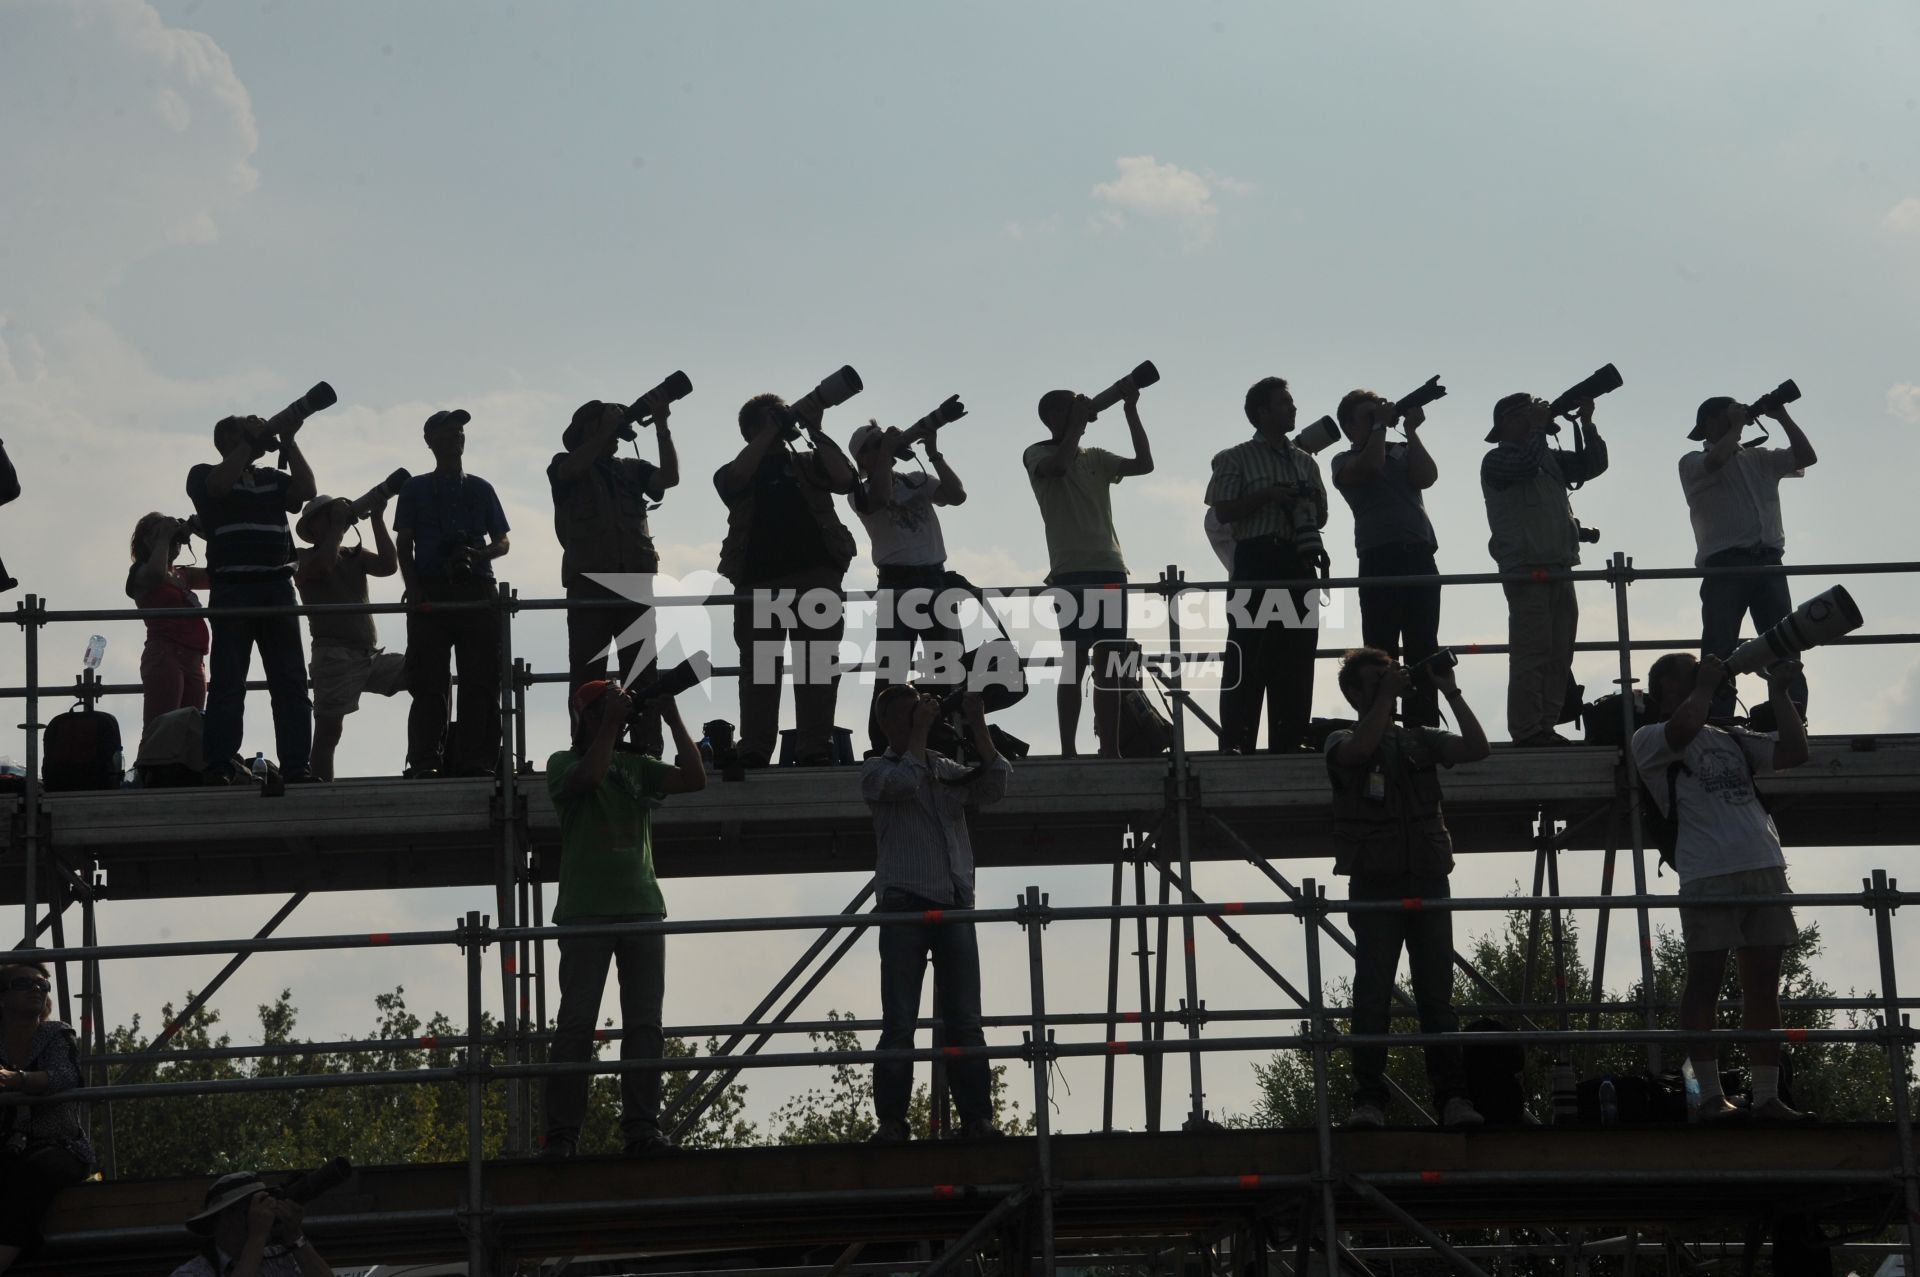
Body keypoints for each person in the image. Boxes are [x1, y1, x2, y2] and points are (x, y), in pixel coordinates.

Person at [1633, 652, 1811, 1123]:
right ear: (1666, 689)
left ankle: (1768, 1097)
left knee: (1763, 987)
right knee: (1704, 983)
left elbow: (1794, 752)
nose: (1703, 684)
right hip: (1707, 870)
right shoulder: (1649, 738)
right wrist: (1706, 685)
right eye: (1690, 677)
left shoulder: (1730, 734)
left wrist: (1778, 693)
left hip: (1763, 864)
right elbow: (1681, 729)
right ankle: (1709, 1097)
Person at [1324, 648, 1489, 1129]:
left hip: (1427, 878)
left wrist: (1448, 688)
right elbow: (1358, 752)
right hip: (1376, 883)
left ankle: (1453, 1098)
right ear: (1355, 693)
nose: (1390, 685)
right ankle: (1368, 1100)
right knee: (1372, 993)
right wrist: (1384, 699)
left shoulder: (1420, 739)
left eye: (1390, 677)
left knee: (1437, 994)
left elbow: (1478, 748)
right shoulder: (1341, 737)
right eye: (1376, 681)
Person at [542, 680, 706, 1158]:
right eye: (605, 705)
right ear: (586, 715)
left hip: (641, 908)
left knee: (644, 1025)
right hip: (585, 911)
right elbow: (589, 780)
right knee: (576, 1024)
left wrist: (673, 717)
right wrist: (611, 722)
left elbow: (695, 778)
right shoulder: (563, 763)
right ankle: (562, 1136)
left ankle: (641, 1130)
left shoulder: (638, 765)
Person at [861, 686, 1011, 1142]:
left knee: (966, 1019)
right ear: (887, 724)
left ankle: (977, 1120)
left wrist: (977, 721)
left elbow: (995, 783)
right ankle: (891, 1122)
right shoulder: (875, 769)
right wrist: (922, 734)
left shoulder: (943, 769)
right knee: (900, 1020)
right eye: (908, 715)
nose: (918, 720)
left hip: (953, 903)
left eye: (920, 714)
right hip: (904, 904)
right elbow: (904, 783)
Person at [714, 393, 857, 768]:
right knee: (761, 669)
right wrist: (768, 433)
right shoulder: (737, 468)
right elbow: (734, 481)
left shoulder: (809, 461)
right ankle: (755, 748)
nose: (779, 424)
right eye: (769, 420)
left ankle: (814, 746)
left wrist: (814, 427)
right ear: (750, 431)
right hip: (759, 580)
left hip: (816, 573)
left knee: (818, 664)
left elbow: (844, 479)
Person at [186, 414, 318, 783]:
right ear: (229, 438)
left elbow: (305, 491)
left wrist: (289, 442)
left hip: (277, 587)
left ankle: (296, 765)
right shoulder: (203, 473)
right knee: (229, 682)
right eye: (246, 428)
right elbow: (217, 486)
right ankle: (219, 764)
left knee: (290, 681)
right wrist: (250, 441)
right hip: (233, 589)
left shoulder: (271, 478)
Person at [1022, 385, 1153, 756]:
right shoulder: (1037, 453)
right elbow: (1058, 467)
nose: (1080, 414)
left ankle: (1110, 749)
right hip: (1071, 572)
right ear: (1052, 417)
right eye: (1070, 409)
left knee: (1110, 665)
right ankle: (1068, 749)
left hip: (1110, 567)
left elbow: (1144, 464)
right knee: (1074, 661)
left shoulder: (1095, 456)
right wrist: (1077, 426)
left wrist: (1130, 410)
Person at [549, 398, 680, 755]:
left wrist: (662, 424)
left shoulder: (630, 469)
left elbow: (669, 478)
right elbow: (571, 471)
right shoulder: (564, 464)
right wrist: (605, 428)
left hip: (634, 583)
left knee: (642, 671)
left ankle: (647, 746)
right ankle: (588, 747)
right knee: (588, 672)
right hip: (589, 583)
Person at [1206, 376, 1327, 754]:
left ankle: (1288, 743)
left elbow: (1321, 516)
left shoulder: (1306, 463)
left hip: (1298, 559)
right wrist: (1269, 496)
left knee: (1297, 656)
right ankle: (1237, 742)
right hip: (1257, 558)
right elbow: (1223, 511)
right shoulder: (1233, 457)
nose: (1293, 409)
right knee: (1247, 650)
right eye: (1284, 403)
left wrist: (1301, 505)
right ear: (1262, 412)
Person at [1480, 392, 1608, 746]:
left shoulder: (1546, 457)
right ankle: (1526, 730)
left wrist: (1586, 422)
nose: (1534, 419)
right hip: (1526, 568)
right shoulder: (1496, 460)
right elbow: (1524, 465)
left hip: (1559, 565)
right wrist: (1539, 429)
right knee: (1532, 653)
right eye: (1524, 415)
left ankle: (1545, 727)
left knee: (1559, 654)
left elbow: (1593, 465)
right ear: (1506, 422)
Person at [1681, 396, 1817, 720]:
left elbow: (1807, 457)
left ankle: (1791, 718)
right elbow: (1716, 461)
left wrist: (1781, 415)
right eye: (1725, 417)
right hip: (1725, 565)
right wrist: (1739, 425)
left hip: (1768, 561)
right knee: (1719, 648)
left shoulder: (1759, 458)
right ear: (1709, 424)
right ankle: (1718, 719)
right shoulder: (1691, 462)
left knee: (1783, 645)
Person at [395, 409, 511, 779]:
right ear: (430, 441)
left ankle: (478, 761)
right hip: (431, 589)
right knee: (428, 681)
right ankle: (425, 759)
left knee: (482, 680)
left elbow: (503, 541)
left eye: (460, 433)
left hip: (477, 588)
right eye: (448, 433)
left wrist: (479, 554)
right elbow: (404, 543)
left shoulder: (481, 488)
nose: (456, 438)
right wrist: (412, 588)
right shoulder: (414, 488)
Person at [848, 418, 967, 756]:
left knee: (946, 666)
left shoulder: (915, 479)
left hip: (934, 578)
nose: (881, 445)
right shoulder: (860, 491)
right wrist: (887, 451)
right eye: (872, 445)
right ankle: (883, 744)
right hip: (896, 582)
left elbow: (957, 495)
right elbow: (882, 498)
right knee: (891, 670)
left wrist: (933, 453)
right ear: (862, 459)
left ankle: (944, 738)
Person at [1332, 390, 1442, 728]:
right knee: (1380, 649)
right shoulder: (1342, 460)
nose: (1376, 419)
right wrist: (1380, 426)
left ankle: (1422, 725)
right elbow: (1371, 466)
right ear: (1350, 426)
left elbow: (1427, 477)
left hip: (1419, 555)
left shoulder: (1401, 450)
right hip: (1380, 557)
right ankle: (1379, 725)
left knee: (1424, 645)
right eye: (1367, 416)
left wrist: (1410, 430)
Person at [294, 493, 406, 781]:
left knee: (426, 673)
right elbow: (324, 566)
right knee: (329, 732)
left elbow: (388, 565)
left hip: (367, 654)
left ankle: (431, 755)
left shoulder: (352, 555)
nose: (335, 517)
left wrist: (378, 519)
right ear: (313, 527)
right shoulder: (303, 557)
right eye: (328, 515)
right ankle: (320, 793)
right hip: (334, 654)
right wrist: (337, 528)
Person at [0, 962, 92, 1271]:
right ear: (2, 997)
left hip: (60, 1145)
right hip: (8, 1143)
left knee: (30, 1173)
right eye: (24, 984)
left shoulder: (55, 1034)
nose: (36, 989)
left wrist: (16, 1080)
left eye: (42, 985)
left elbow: (66, 1077)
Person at [126, 512, 212, 736]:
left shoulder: (182, 575)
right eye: (164, 535)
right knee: (160, 728)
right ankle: (148, 770)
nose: (174, 541)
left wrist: (202, 531)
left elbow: (219, 574)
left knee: (191, 731)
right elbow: (156, 573)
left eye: (176, 539)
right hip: (166, 654)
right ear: (147, 541)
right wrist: (165, 535)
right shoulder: (141, 572)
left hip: (195, 659)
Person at [171, 1170, 333, 1277]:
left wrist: (295, 1235)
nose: (265, 1213)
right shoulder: (191, 1273)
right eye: (254, 1207)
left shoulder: (280, 1258)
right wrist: (257, 1236)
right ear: (226, 1217)